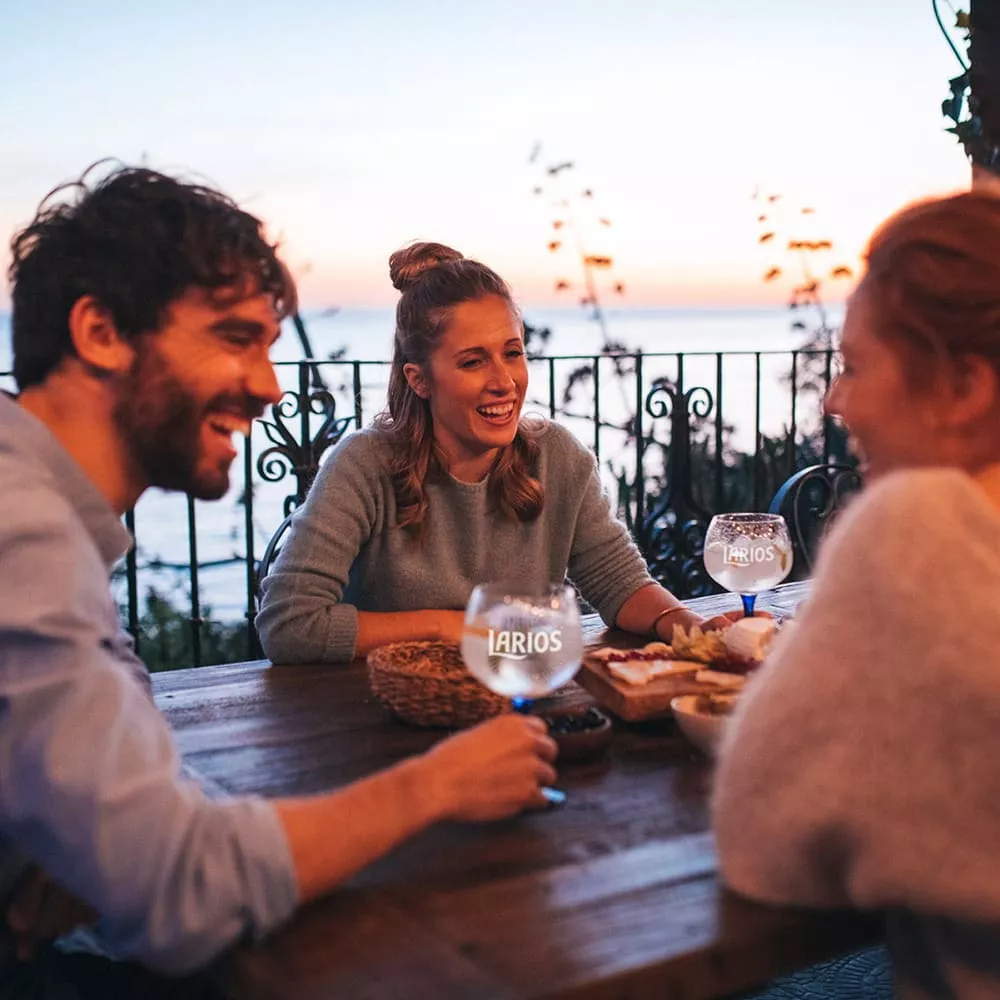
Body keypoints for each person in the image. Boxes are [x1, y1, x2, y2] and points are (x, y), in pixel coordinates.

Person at [0, 165, 558, 989]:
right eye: (234, 340)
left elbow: (121, 811)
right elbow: (183, 888)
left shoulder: (47, 514)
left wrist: (65, 848)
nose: (267, 387)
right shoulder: (20, 535)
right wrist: (436, 786)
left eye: (267, 347)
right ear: (101, 331)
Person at [713, 191, 1000, 999]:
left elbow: (760, 840)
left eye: (853, 368)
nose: (835, 402)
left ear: (964, 386)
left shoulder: (922, 525)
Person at [256, 241, 736, 665]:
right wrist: (450, 626)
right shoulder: (364, 464)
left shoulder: (557, 457)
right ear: (419, 379)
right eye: (472, 361)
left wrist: (687, 626)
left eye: (512, 353)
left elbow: (619, 583)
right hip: (386, 713)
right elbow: (290, 624)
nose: (504, 382)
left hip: (525, 692)